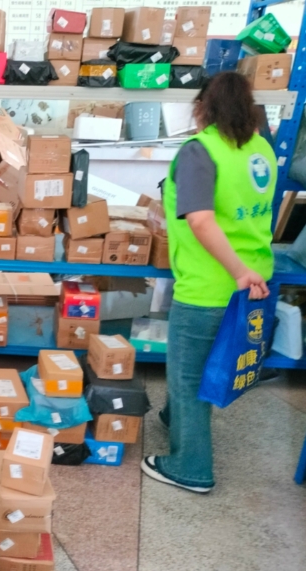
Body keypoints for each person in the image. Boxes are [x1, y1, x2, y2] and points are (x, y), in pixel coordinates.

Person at [141, 72, 275, 493]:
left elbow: (200, 220)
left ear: (202, 108)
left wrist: (236, 271)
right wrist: (245, 273)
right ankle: (175, 419)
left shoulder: (201, 150)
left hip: (211, 286)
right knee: (203, 368)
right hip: (255, 284)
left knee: (187, 379)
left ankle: (191, 468)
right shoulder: (261, 149)